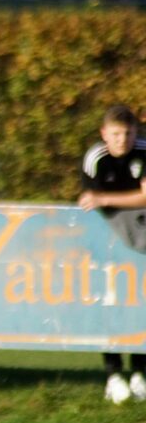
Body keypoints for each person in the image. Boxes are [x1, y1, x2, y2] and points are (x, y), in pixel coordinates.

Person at [78, 104, 146, 404]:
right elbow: (88, 204)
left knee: (140, 305)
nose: (123, 140)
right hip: (105, 243)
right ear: (104, 134)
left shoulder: (143, 150)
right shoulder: (95, 159)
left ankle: (140, 373)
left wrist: (105, 197)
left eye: (129, 133)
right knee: (110, 305)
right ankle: (113, 374)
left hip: (140, 235)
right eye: (116, 134)